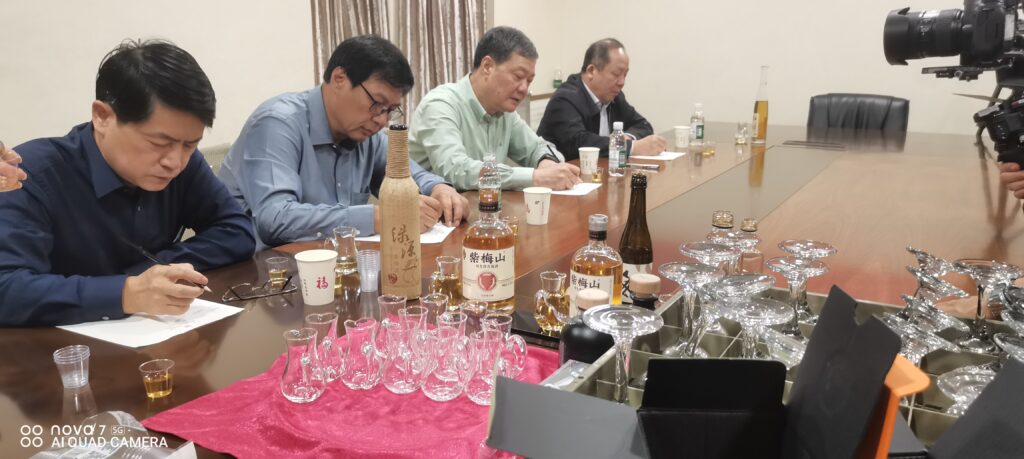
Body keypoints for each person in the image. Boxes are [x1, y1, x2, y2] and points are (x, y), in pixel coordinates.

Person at [0, 40, 256, 326]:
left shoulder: (182, 162)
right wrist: (125, 292)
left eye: (190, 144)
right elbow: (6, 288)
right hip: (57, 347)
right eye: (159, 142)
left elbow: (236, 231)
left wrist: (154, 269)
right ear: (102, 117)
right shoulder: (28, 174)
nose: (175, 162)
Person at [218, 35, 468, 250]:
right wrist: (381, 217)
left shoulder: (367, 136)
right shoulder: (278, 123)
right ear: (339, 78)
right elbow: (275, 219)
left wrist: (438, 189)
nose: (381, 120)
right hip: (258, 273)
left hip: (337, 267)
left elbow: (410, 175)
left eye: (390, 110)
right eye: (377, 103)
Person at [409, 26, 581, 191]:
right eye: (518, 76)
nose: (524, 88)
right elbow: (456, 170)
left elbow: (537, 147)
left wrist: (546, 163)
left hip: (486, 207)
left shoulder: (504, 112)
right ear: (487, 66)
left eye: (529, 81)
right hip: (436, 209)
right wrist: (535, 177)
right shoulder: (441, 104)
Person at [537, 38, 665, 161]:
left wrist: (626, 137)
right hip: (563, 173)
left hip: (600, 172)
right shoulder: (565, 99)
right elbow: (580, 143)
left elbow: (643, 125)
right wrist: (630, 147)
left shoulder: (615, 96)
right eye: (616, 74)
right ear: (591, 71)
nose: (622, 82)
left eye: (625, 75)